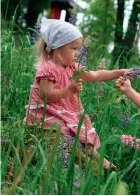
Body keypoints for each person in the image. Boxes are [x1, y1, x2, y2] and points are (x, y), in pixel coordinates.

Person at [23, 19, 128, 170]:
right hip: (48, 114)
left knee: (81, 130)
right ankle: (97, 160)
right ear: (58, 48)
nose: (77, 53)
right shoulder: (48, 68)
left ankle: (98, 158)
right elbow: (45, 95)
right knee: (69, 132)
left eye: (78, 49)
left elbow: (95, 75)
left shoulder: (73, 68)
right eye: (73, 49)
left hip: (66, 113)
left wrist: (119, 72)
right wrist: (68, 90)